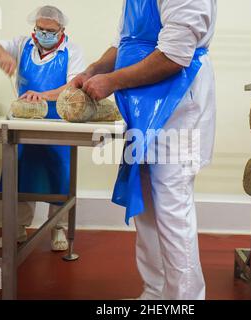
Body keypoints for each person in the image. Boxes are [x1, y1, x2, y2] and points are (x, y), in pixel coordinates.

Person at [70, 0, 217, 300]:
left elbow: (174, 57)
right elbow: (124, 40)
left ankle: (184, 301)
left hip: (177, 108)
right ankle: (154, 294)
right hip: (143, 109)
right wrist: (95, 69)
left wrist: (111, 81)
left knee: (171, 208)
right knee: (147, 205)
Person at [0, 5, 86, 251]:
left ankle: (58, 229)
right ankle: (16, 230)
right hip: (24, 122)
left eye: (50, 30)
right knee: (19, 174)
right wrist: (4, 56)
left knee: (60, 176)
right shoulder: (22, 44)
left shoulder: (72, 50)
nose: (44, 34)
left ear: (61, 30)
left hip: (59, 123)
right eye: (40, 29)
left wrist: (44, 96)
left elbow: (74, 85)